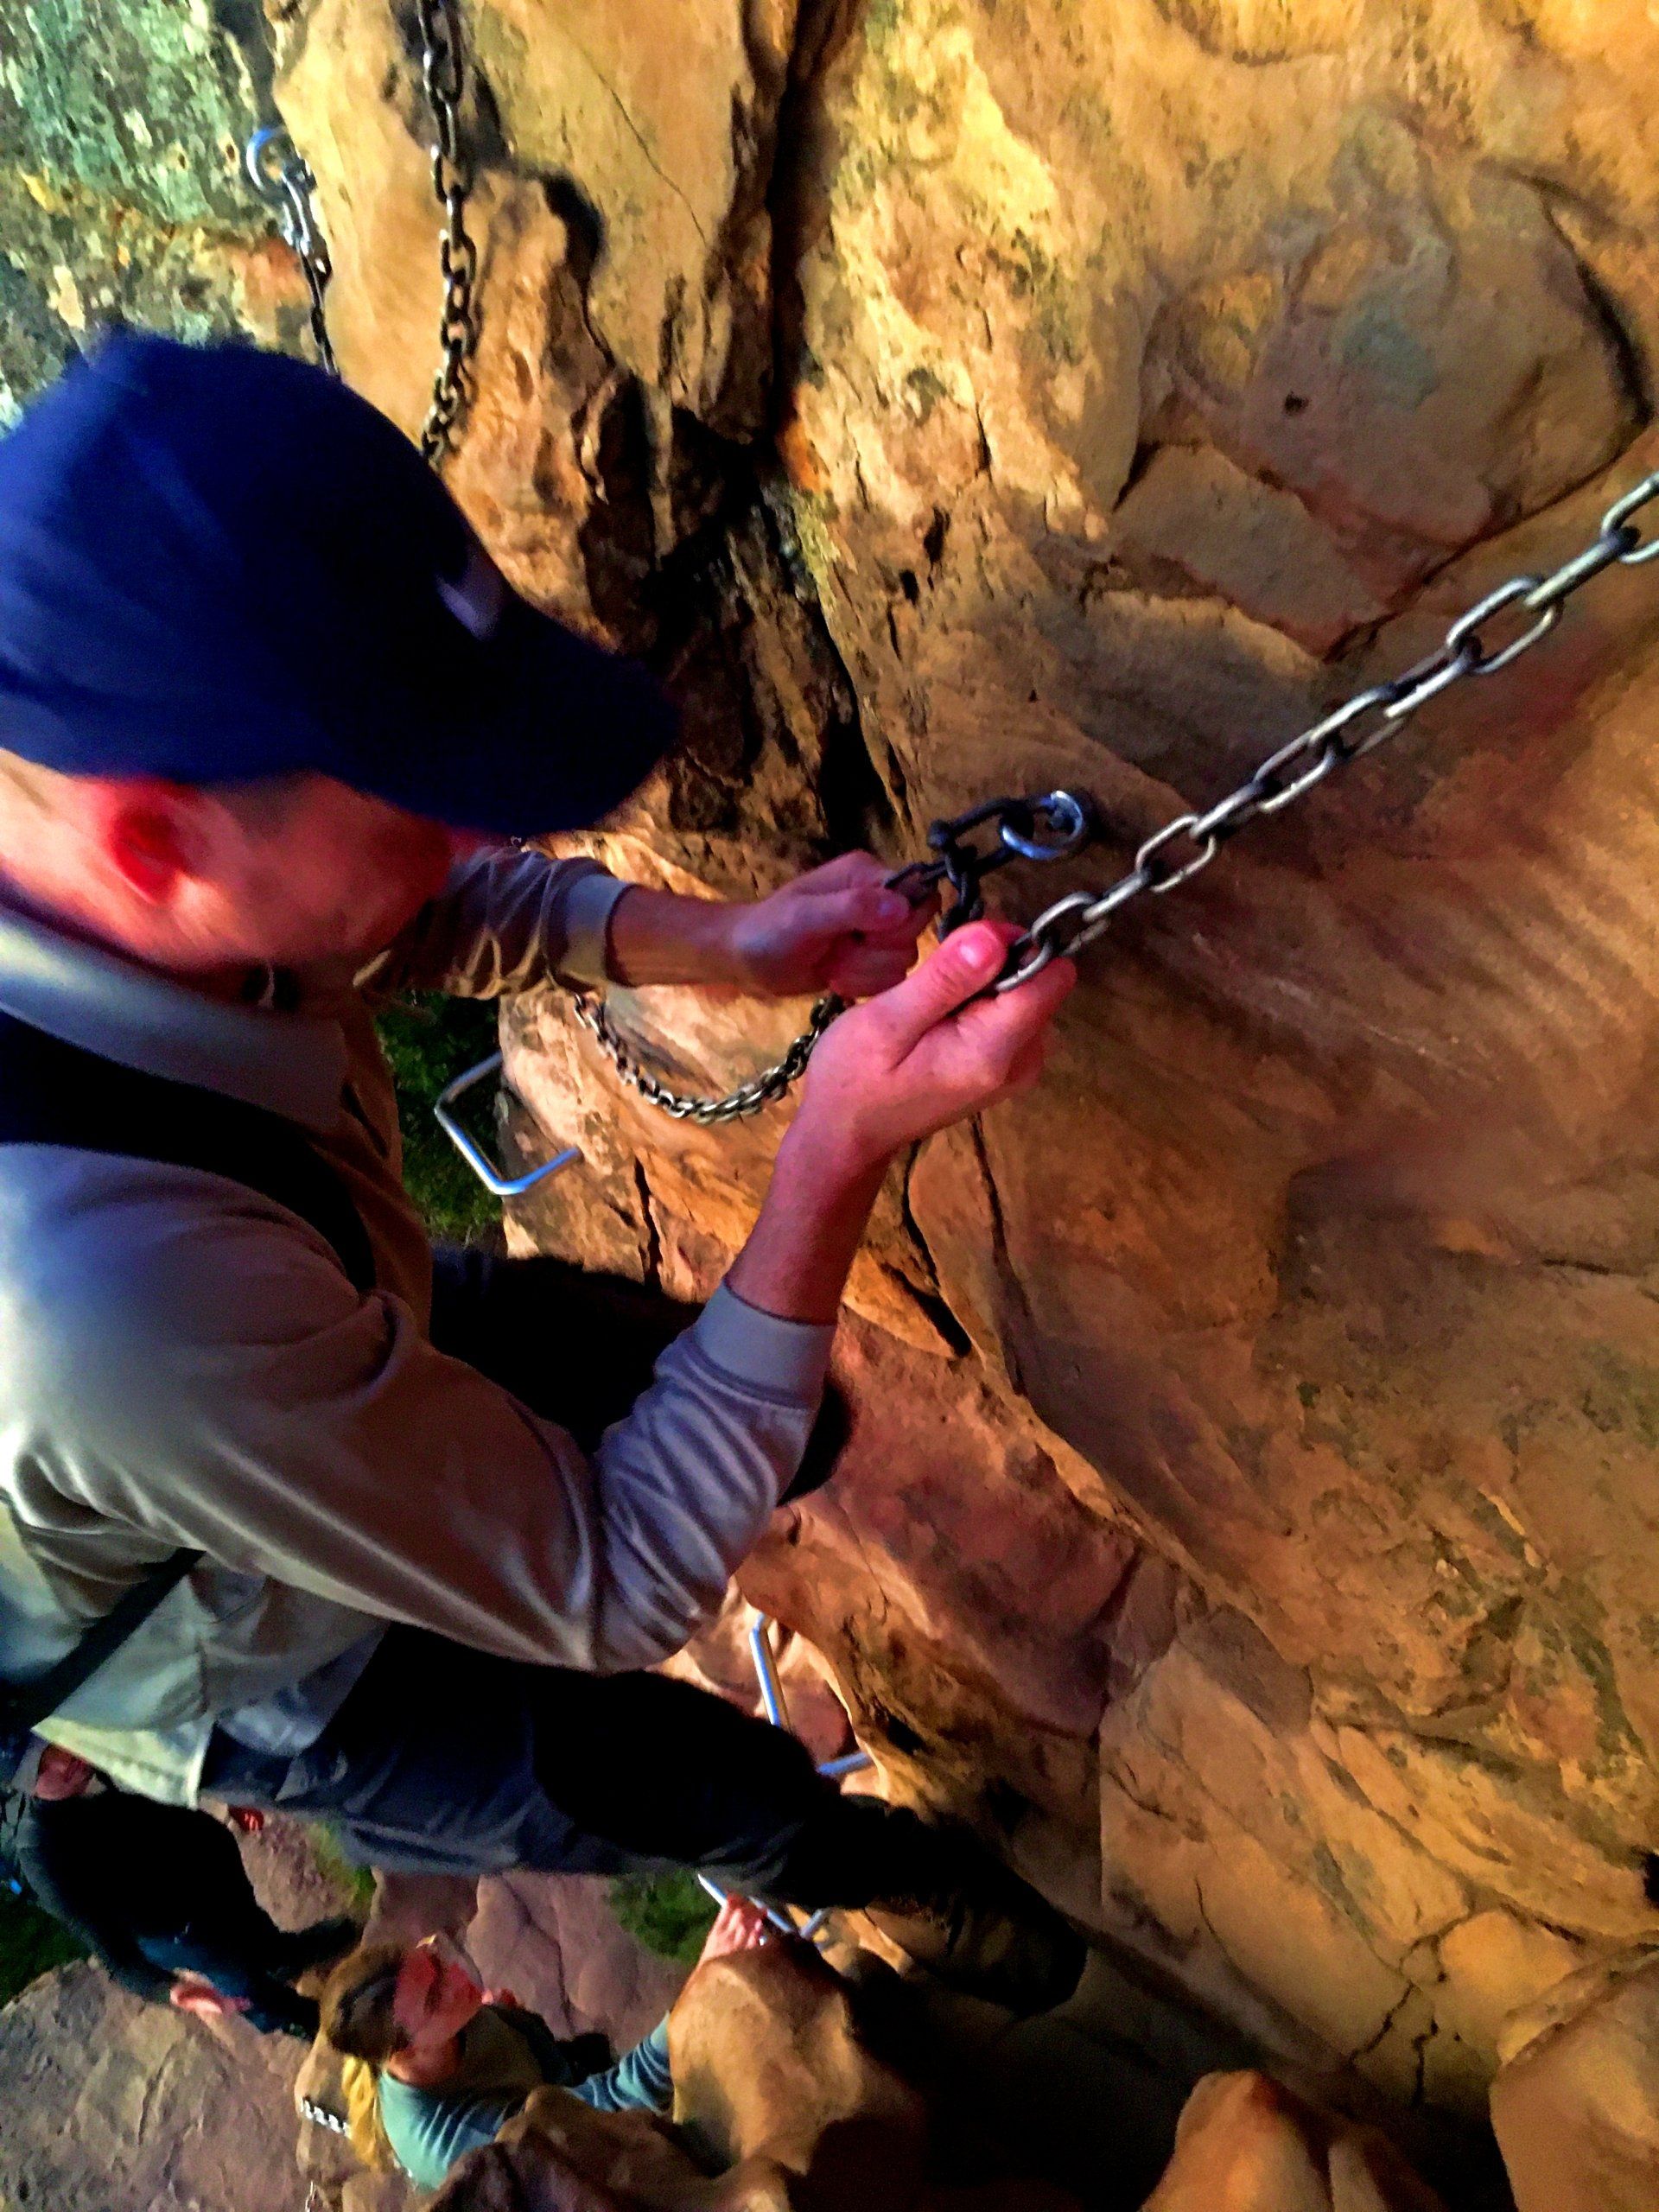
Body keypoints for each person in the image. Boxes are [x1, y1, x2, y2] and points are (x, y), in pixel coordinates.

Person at [0, 333, 1080, 2012]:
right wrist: (838, 1143)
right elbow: (610, 1565)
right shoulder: (96, 1302)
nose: (465, 836)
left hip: (326, 1305)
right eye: (421, 801)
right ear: (159, 845)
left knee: (785, 1417)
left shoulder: (89, 835)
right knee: (663, 1780)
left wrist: (729, 942)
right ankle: (893, 1879)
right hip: (277, 1651)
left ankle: (781, 1547)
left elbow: (388, 913)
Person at [320, 1897, 772, 2188]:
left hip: (562, 2079)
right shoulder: (467, 2143)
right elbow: (602, 2110)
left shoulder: (436, 2033)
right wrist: (699, 1990)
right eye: (436, 1997)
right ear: (405, 2052)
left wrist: (495, 2019)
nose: (458, 1977)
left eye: (436, 1959)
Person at [9, 1739, 356, 2037]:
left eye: (51, 1744)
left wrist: (231, 1791)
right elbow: (114, 1956)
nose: (64, 1759)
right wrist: (172, 1990)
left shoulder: (93, 1749)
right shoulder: (42, 1853)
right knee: (238, 1977)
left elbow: (175, 1759)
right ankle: (296, 2019)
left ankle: (282, 1957)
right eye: (41, 1769)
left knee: (252, 1924)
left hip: (208, 1862)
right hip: (179, 1928)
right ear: (23, 1787)